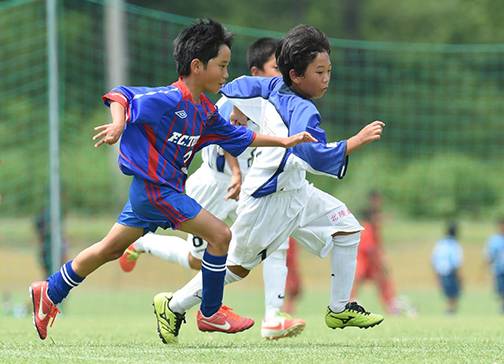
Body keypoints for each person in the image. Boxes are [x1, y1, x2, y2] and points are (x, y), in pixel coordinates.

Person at [29, 19, 316, 342]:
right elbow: (120, 96)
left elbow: (240, 134)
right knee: (221, 236)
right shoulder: (169, 98)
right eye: (221, 66)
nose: (225, 74)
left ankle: (49, 291)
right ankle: (210, 313)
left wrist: (284, 142)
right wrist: (118, 125)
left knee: (109, 249)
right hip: (155, 190)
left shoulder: (204, 112)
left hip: (152, 193)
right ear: (197, 66)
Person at [155, 24, 386, 344]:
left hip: (296, 190)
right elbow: (314, 156)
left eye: (328, 70)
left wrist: (236, 106)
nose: (326, 78)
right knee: (237, 268)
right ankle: (173, 305)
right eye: (319, 71)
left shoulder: (270, 85)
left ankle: (339, 307)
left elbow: (236, 86)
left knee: (347, 227)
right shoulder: (302, 110)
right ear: (295, 75)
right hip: (268, 197)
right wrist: (354, 142)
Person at [118, 37, 306, 340]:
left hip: (250, 186)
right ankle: (141, 244)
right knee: (198, 259)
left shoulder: (279, 102)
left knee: (274, 240)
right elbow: (226, 135)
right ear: (257, 72)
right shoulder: (232, 96)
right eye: (276, 68)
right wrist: (235, 172)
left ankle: (272, 317)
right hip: (215, 184)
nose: (283, 75)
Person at [431, 221, 463, 315]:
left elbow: (433, 260)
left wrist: (436, 275)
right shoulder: (454, 245)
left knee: (448, 294)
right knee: (453, 294)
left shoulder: (440, 244)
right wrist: (460, 277)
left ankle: (449, 310)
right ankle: (450, 311)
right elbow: (456, 262)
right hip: (451, 272)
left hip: (441, 272)